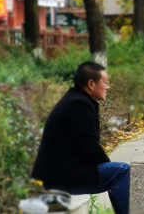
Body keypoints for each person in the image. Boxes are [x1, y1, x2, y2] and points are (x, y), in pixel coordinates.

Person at [32, 62, 130, 214]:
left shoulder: (76, 100)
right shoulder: (77, 104)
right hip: (60, 177)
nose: (108, 87)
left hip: (62, 172)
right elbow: (90, 149)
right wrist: (109, 168)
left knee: (116, 171)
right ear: (91, 83)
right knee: (121, 171)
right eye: (106, 82)